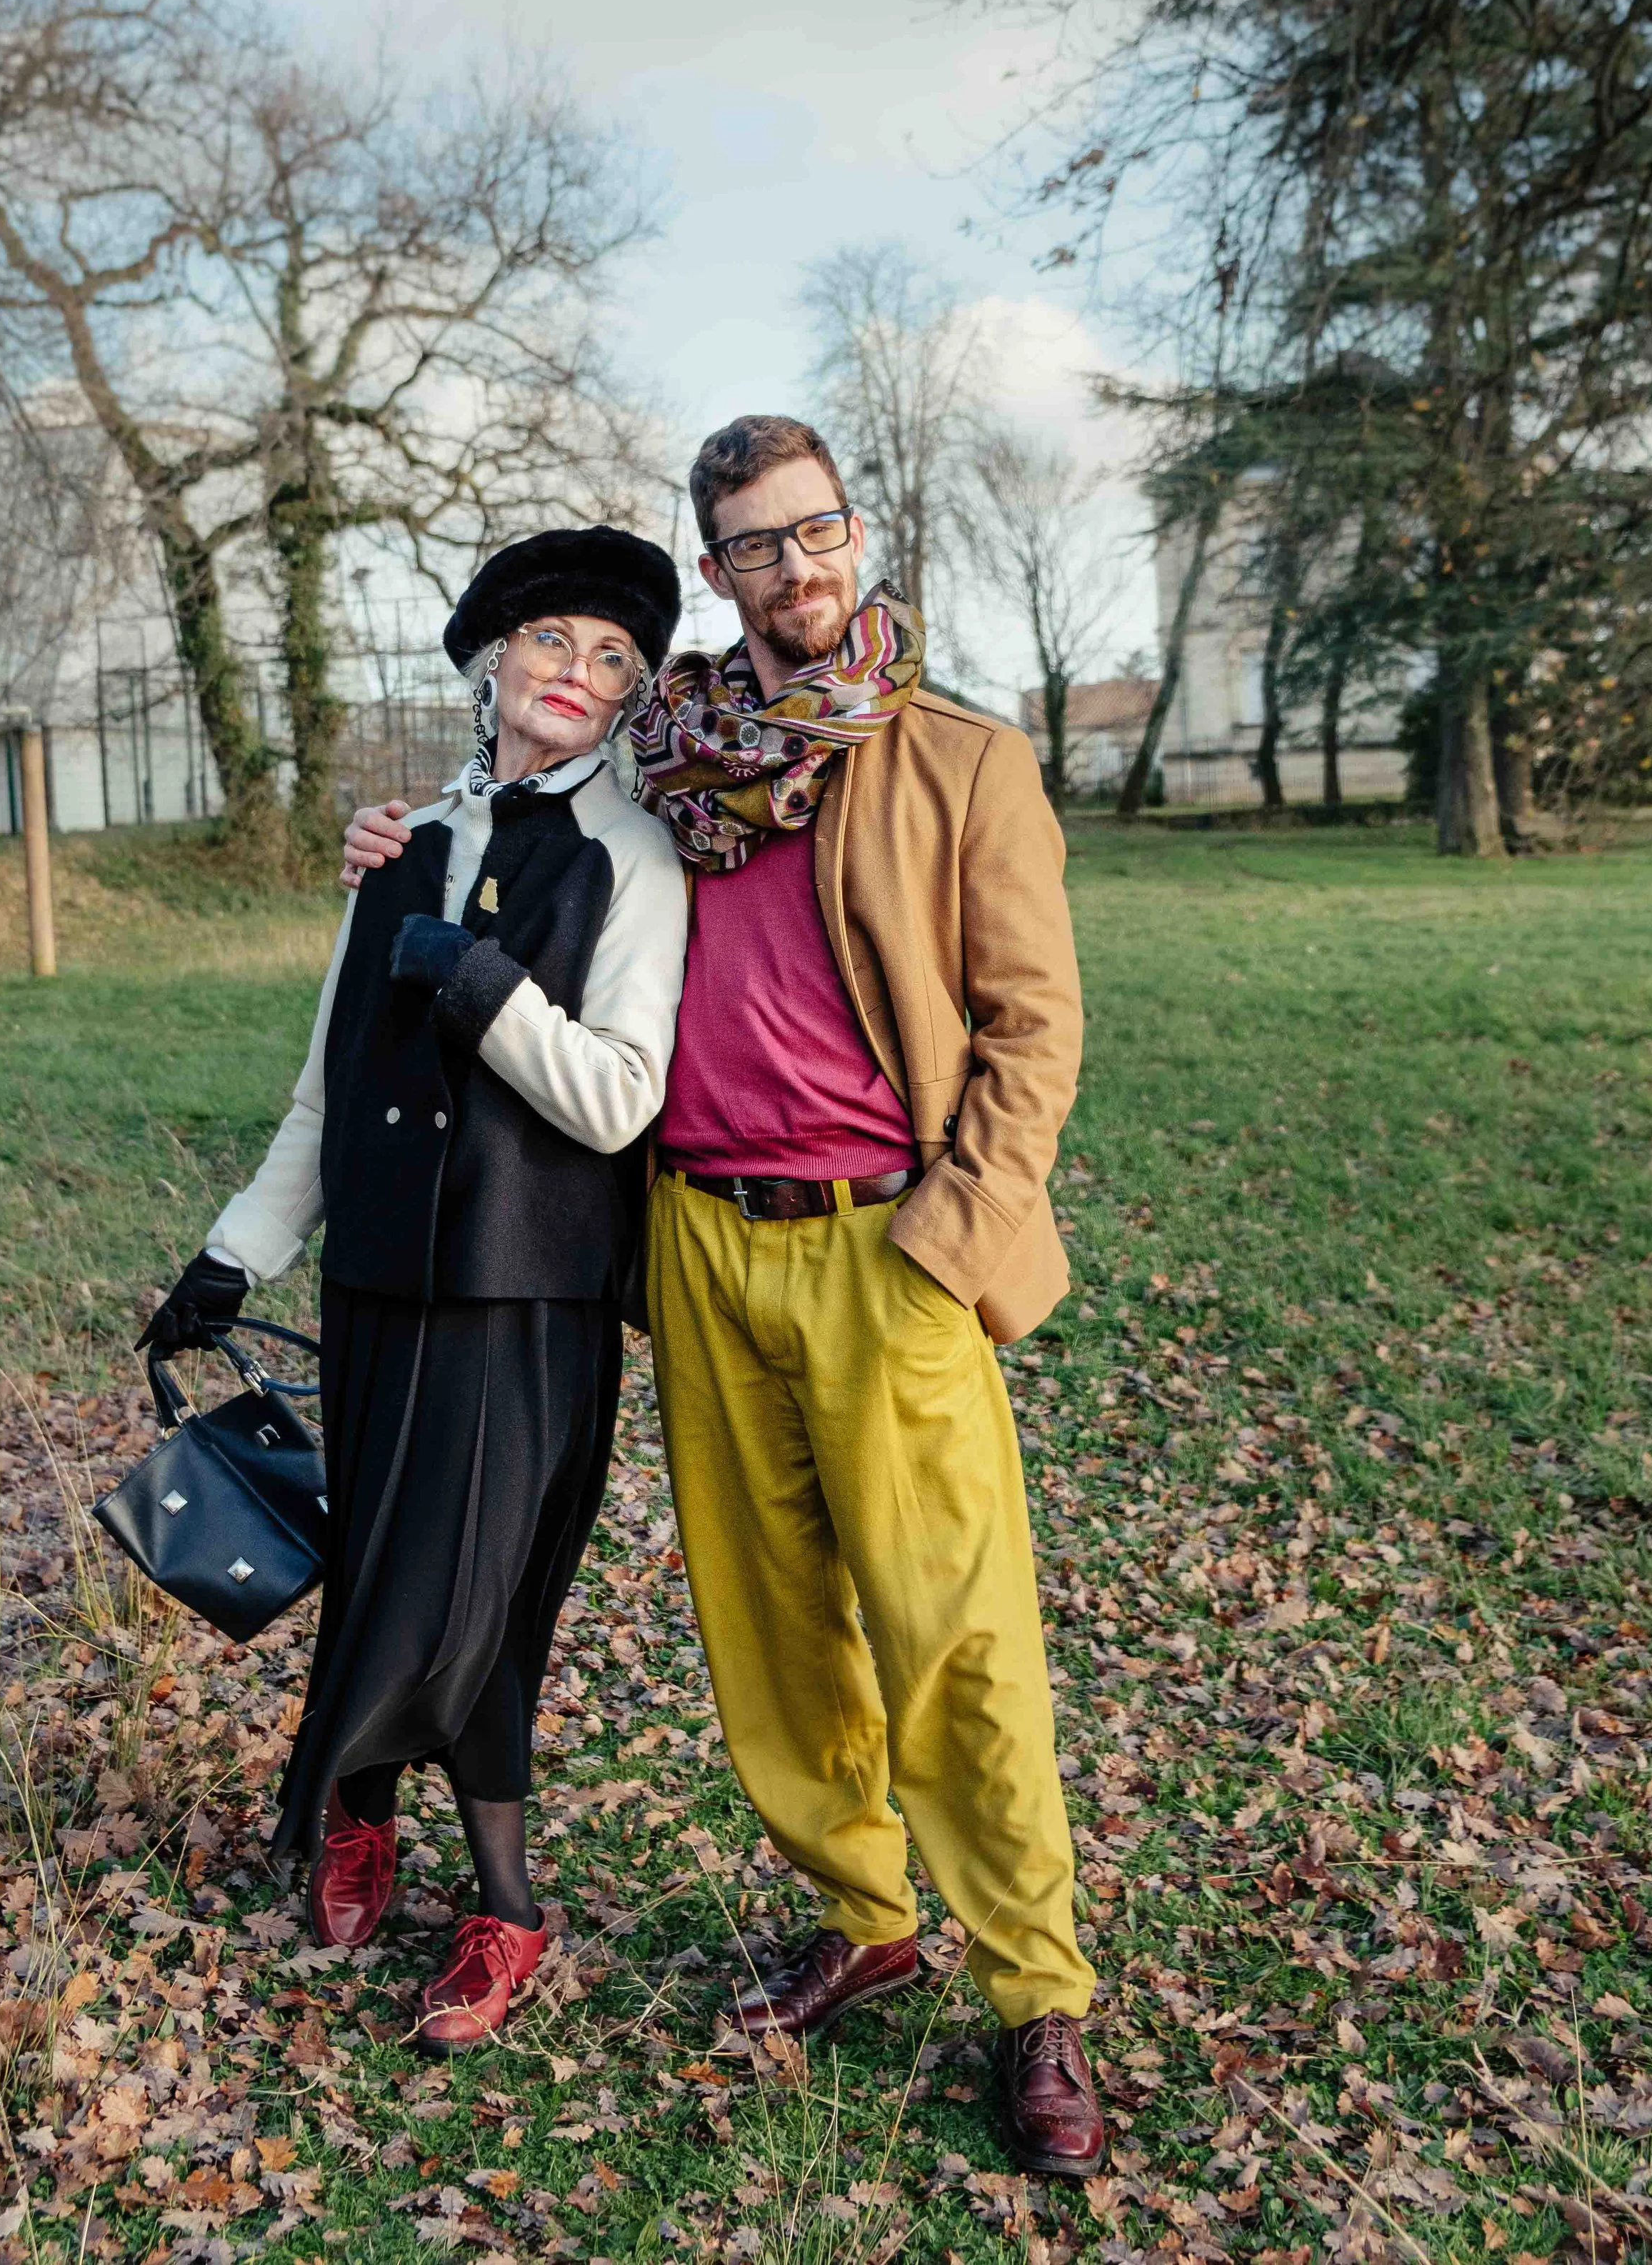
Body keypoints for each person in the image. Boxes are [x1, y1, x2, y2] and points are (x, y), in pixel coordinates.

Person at [342, 419, 1103, 2180]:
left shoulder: (960, 762)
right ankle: (858, 1911)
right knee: (770, 1636)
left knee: (955, 1643)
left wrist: (953, 1232)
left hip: (882, 1247)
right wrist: (399, 829)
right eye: (755, 547)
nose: (796, 569)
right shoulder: (671, 753)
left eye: (815, 531)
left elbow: (1032, 1031)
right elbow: (510, 808)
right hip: (693, 1239)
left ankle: (1035, 1991)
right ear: (715, 569)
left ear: (856, 531)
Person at [143, 524, 686, 2055]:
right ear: (491, 661)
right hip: (381, 1288)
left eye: (612, 660)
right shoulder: (401, 846)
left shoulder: (629, 859)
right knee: (384, 1571)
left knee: (476, 1600)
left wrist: (476, 983)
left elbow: (616, 1100)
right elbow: (325, 1094)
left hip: (529, 1306)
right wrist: (234, 1254)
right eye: (551, 642)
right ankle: (359, 1817)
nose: (576, 673)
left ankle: (505, 1903)